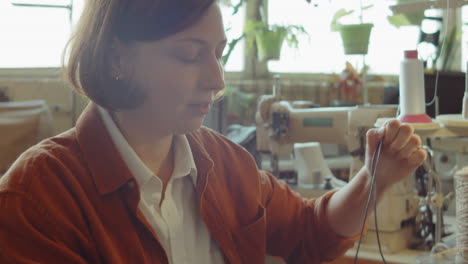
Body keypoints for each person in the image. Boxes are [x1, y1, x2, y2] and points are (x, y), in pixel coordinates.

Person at [0, 0, 426, 263]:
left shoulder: (225, 164)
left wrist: (374, 179)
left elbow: (308, 231)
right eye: (189, 55)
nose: (216, 80)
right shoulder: (38, 198)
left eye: (219, 54)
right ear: (118, 60)